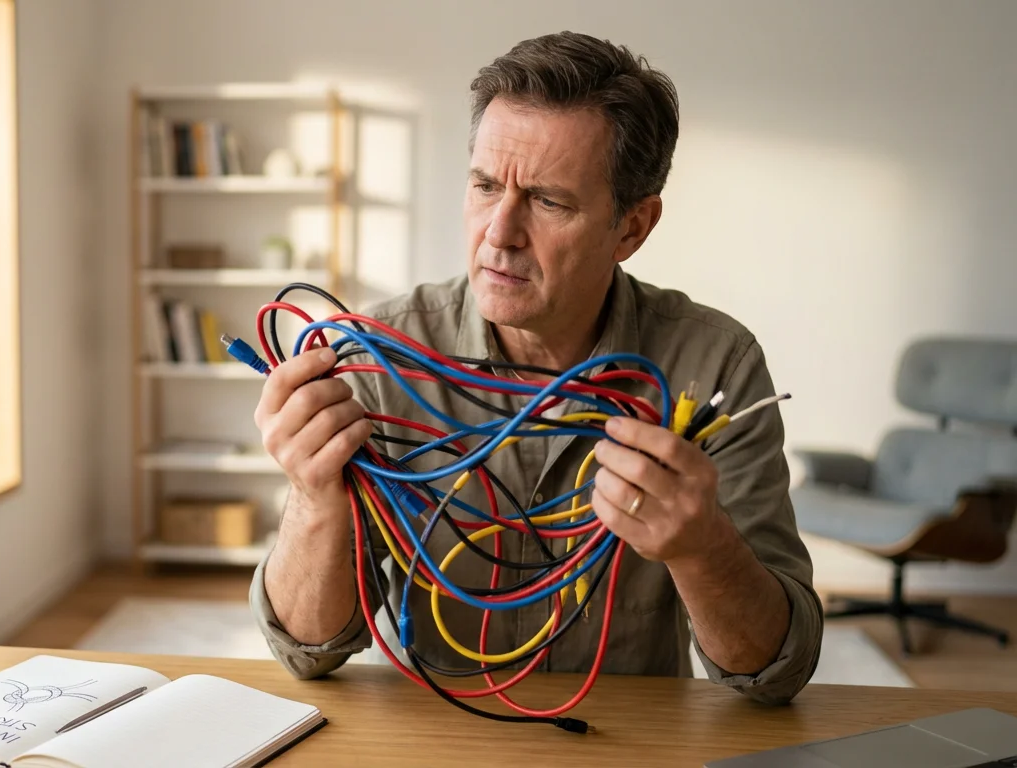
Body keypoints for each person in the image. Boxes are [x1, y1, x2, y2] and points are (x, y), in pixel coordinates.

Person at [248, 31, 823, 705]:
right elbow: (308, 654)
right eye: (485, 186)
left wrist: (704, 550)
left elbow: (775, 672)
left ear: (632, 228)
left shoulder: (713, 365)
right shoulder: (381, 356)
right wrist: (314, 497)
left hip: (628, 746)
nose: (499, 231)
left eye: (549, 201)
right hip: (435, 736)